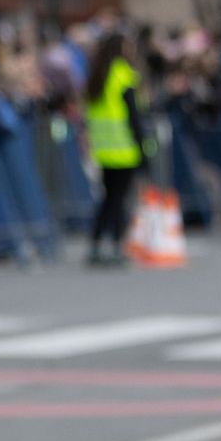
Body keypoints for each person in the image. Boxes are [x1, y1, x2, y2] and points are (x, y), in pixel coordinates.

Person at [84, 31, 148, 266]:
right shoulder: (123, 75)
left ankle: (97, 242)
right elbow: (134, 116)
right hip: (123, 148)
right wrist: (143, 147)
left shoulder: (97, 75)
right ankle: (117, 245)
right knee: (118, 200)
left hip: (102, 149)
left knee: (109, 198)